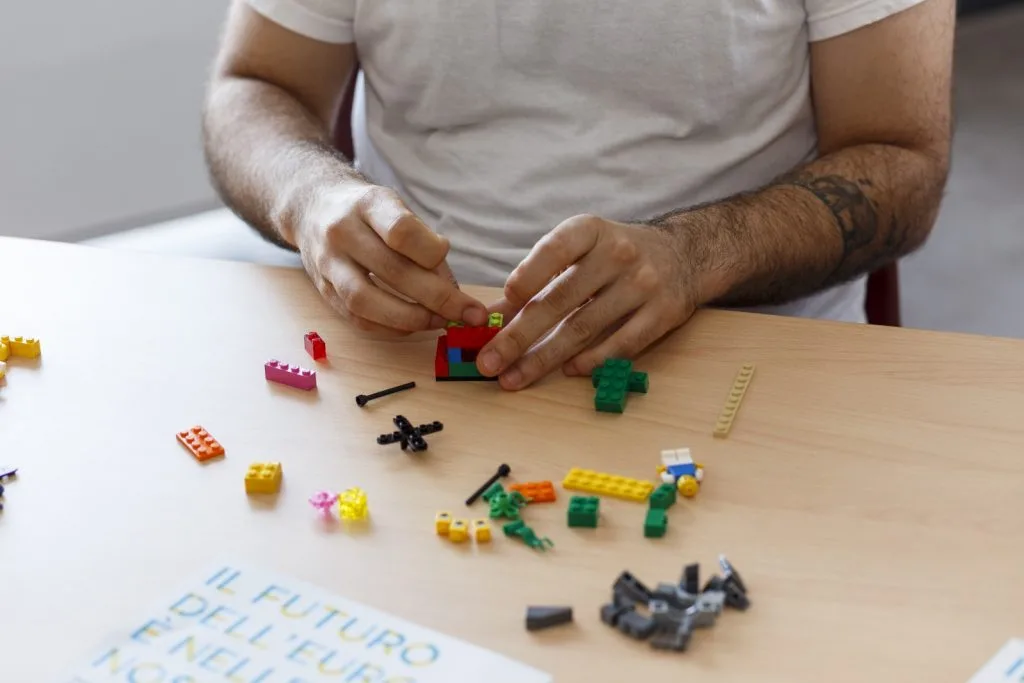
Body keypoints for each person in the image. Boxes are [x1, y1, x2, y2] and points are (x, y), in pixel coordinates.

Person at [202, 0, 954, 391]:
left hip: (741, 361)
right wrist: (310, 196)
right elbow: (255, 87)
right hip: (412, 358)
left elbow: (902, 159)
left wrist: (697, 254)